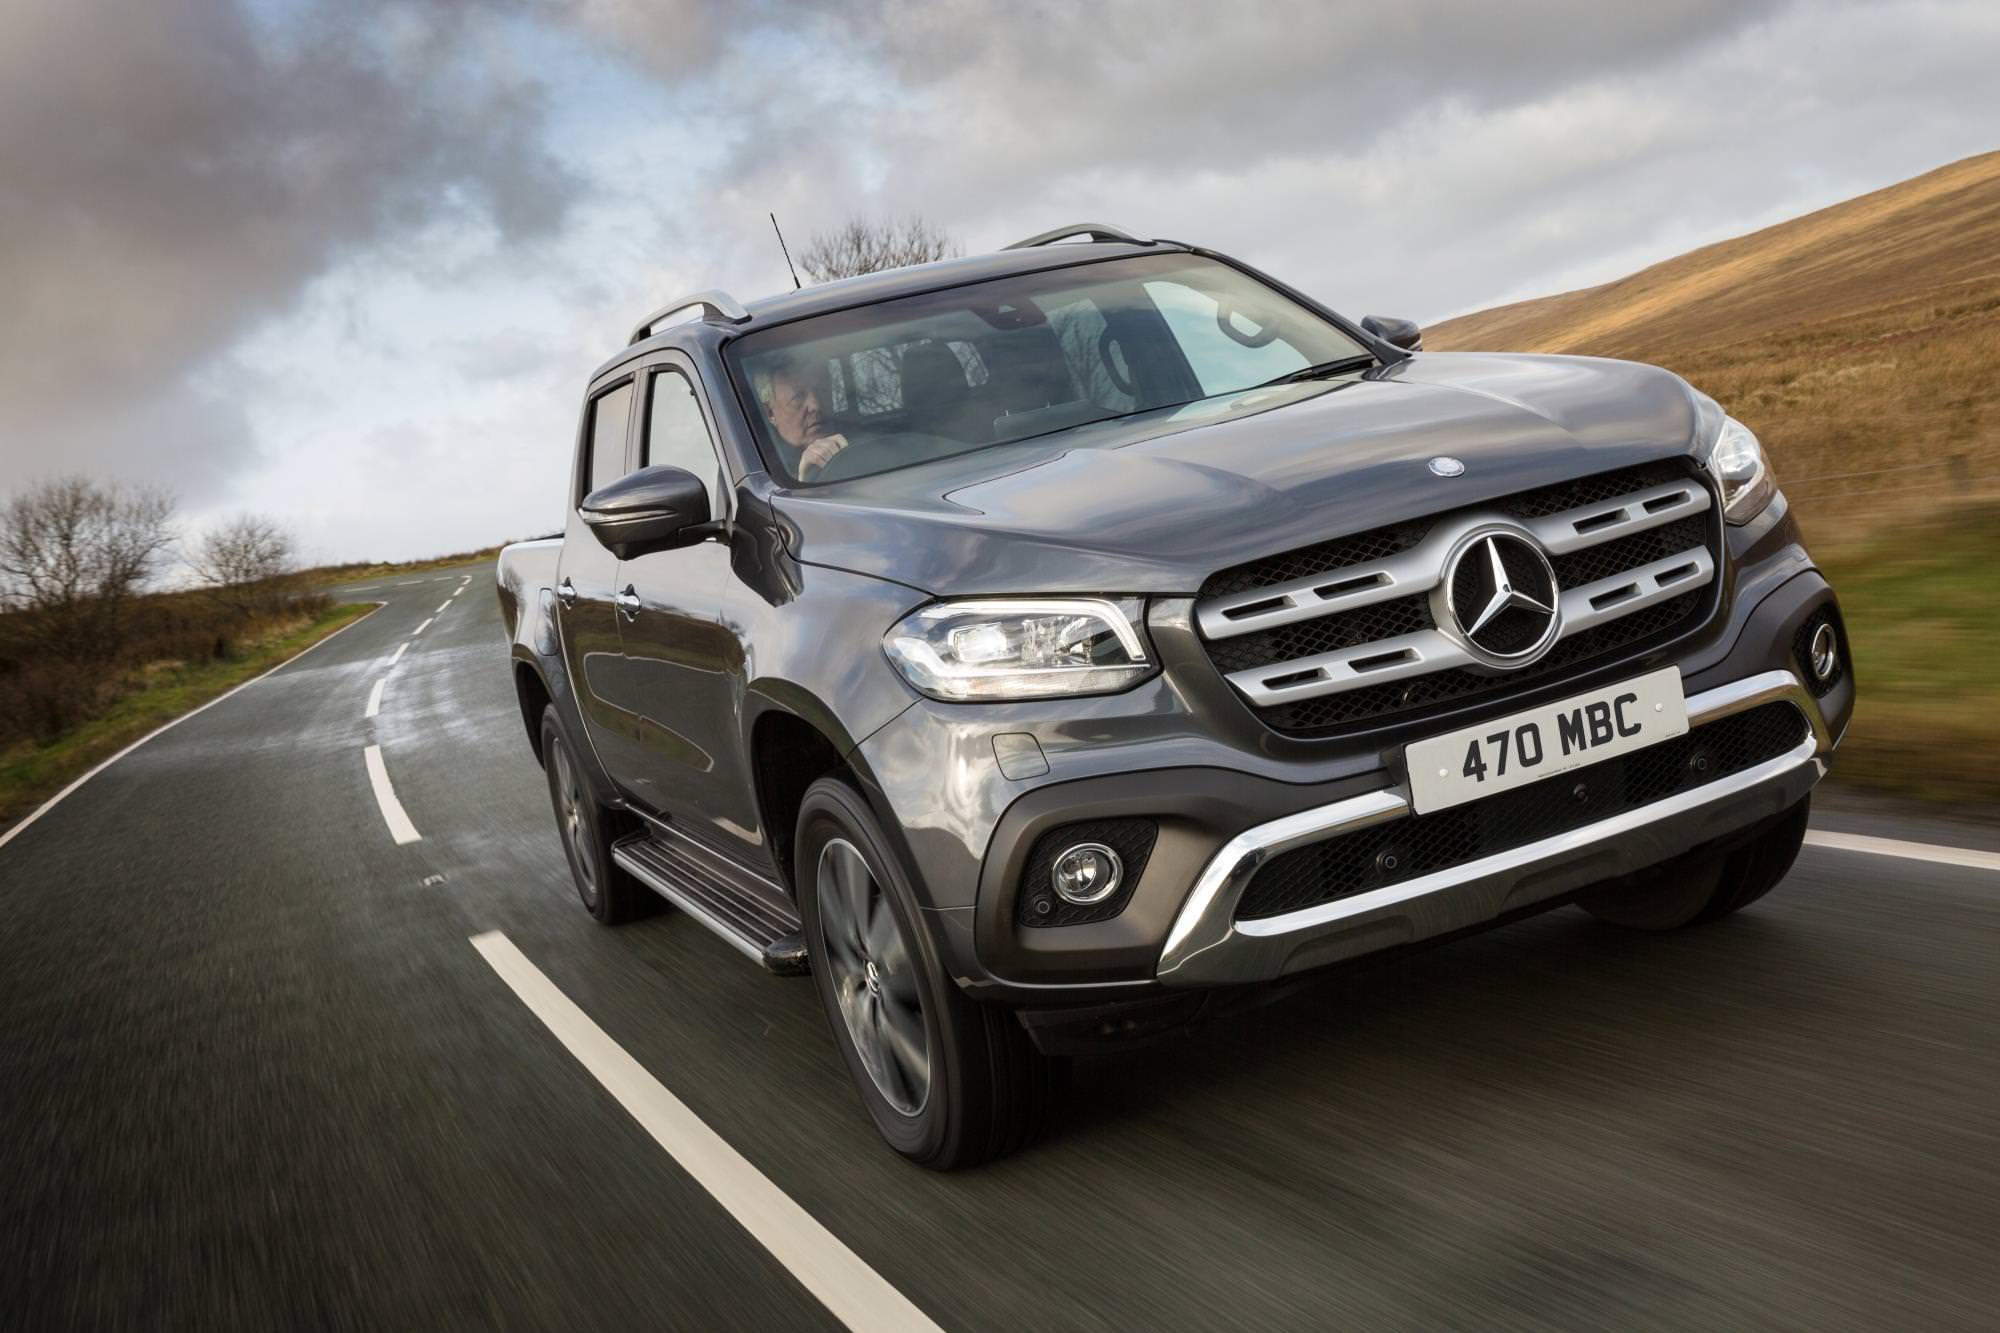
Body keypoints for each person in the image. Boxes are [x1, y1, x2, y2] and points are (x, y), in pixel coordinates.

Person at [751, 355, 853, 481]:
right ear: (770, 413)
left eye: (822, 391)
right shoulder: (761, 472)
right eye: (798, 397)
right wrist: (804, 481)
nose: (815, 405)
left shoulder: (863, 439)